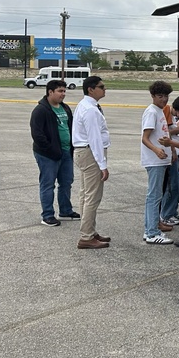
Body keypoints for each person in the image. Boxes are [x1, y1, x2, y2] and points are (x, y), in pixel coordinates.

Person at [29, 79, 79, 227]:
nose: (63, 94)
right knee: (48, 184)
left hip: (66, 152)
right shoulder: (41, 110)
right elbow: (37, 135)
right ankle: (47, 215)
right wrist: (51, 150)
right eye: (60, 91)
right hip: (48, 155)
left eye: (64, 91)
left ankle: (65, 210)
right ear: (50, 92)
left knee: (66, 182)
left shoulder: (65, 108)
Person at [72, 75, 112, 250]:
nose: (104, 90)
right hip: (89, 153)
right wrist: (102, 165)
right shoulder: (90, 110)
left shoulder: (87, 106)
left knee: (86, 194)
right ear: (91, 89)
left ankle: (89, 230)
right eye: (101, 87)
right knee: (92, 196)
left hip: (84, 152)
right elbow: (94, 138)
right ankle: (86, 236)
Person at [141, 81, 175, 245]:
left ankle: (152, 227)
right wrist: (156, 150)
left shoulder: (160, 111)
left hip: (162, 160)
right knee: (154, 196)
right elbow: (145, 138)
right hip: (155, 160)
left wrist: (172, 151)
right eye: (160, 96)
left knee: (157, 195)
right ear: (153, 96)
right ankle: (151, 232)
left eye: (166, 96)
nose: (164, 99)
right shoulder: (152, 112)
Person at [158, 93, 179, 229]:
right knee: (173, 186)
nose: (178, 115)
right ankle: (167, 214)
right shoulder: (165, 110)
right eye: (177, 111)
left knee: (177, 186)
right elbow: (164, 133)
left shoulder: (169, 113)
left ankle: (172, 212)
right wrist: (172, 150)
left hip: (176, 151)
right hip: (173, 152)